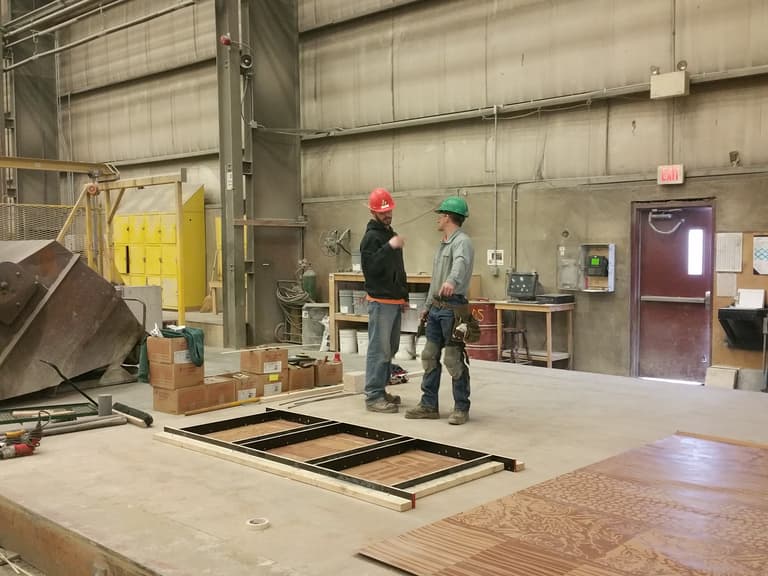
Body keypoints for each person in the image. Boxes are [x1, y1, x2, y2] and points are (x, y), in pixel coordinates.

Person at [405, 196, 474, 425]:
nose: (438, 219)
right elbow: (435, 280)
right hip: (436, 308)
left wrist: (452, 281)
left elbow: (461, 264)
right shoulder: (442, 244)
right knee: (429, 356)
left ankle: (461, 408)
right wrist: (427, 307)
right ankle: (428, 405)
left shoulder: (462, 242)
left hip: (453, 309)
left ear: (447, 217)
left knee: (453, 359)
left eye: (440, 215)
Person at [360, 187, 408, 413]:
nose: (388, 215)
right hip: (380, 301)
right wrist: (390, 247)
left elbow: (399, 268)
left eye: (389, 211)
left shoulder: (390, 234)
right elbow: (371, 269)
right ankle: (373, 396)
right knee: (379, 350)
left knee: (390, 348)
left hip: (394, 300)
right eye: (383, 212)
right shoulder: (371, 238)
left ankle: (381, 389)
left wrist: (403, 296)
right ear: (373, 212)